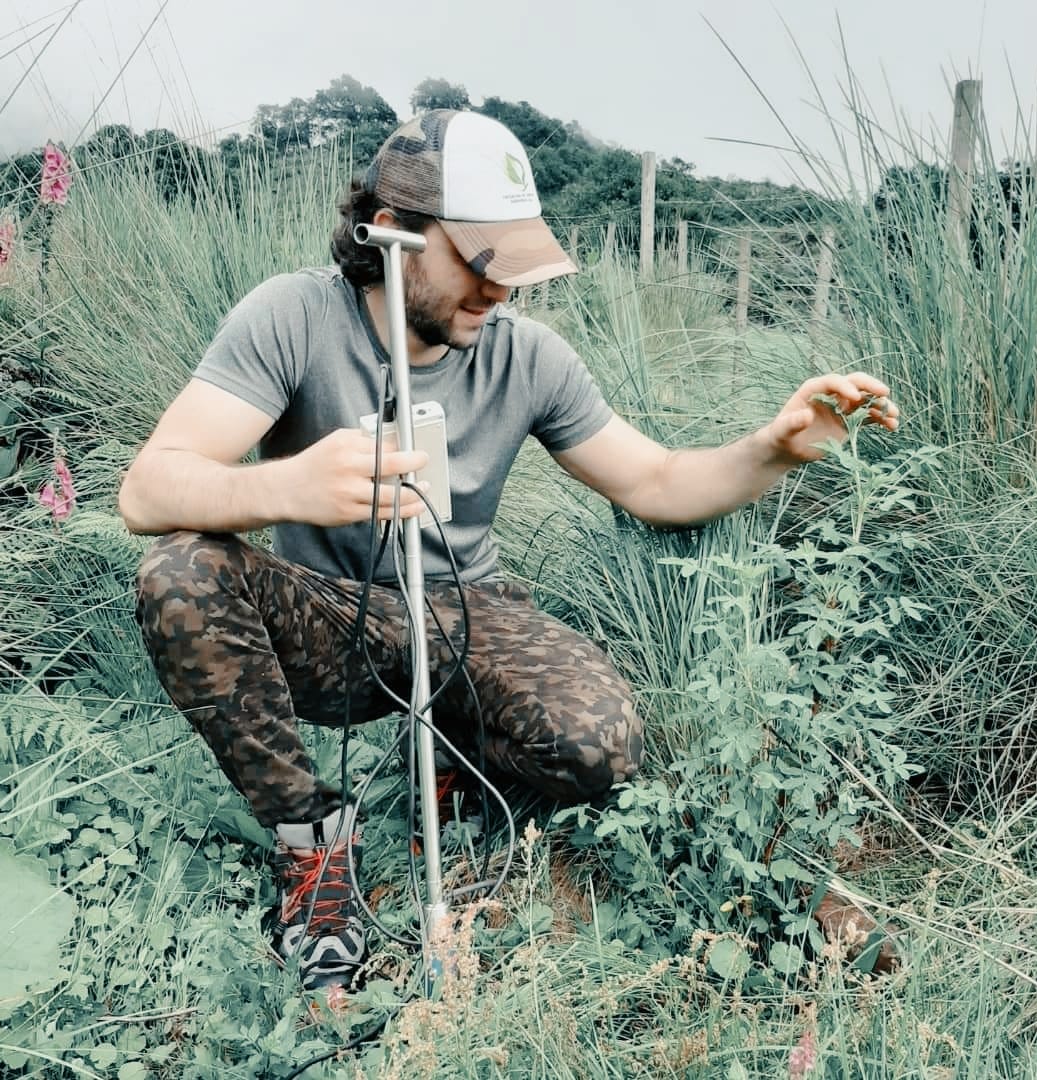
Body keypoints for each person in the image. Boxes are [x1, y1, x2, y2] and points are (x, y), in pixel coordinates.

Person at [119, 109, 899, 994]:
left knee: (601, 745)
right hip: (330, 617)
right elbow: (148, 489)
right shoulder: (292, 316)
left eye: (513, 266)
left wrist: (775, 446)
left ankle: (459, 753)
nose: (501, 293)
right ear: (391, 232)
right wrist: (284, 488)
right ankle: (313, 849)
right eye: (479, 263)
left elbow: (656, 482)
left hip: (470, 614)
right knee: (180, 572)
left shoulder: (528, 357)